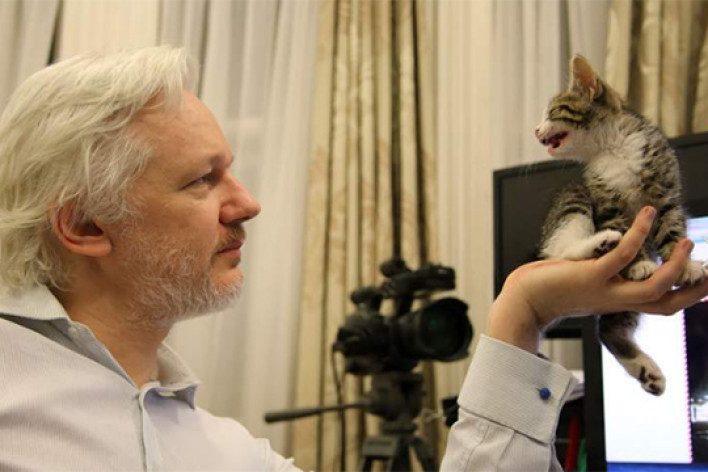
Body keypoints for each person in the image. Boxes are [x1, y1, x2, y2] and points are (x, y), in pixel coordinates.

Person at [0, 46, 706, 471]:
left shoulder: (221, 451)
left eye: (232, 171)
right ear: (85, 224)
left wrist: (524, 308)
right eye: (202, 180)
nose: (248, 203)